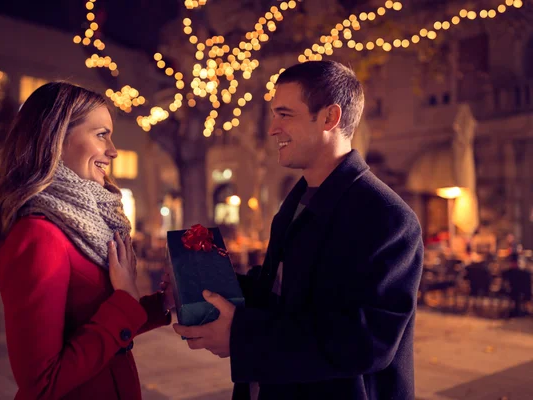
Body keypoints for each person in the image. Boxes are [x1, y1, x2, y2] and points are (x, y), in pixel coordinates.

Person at [174, 61, 424, 400]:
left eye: (285, 115)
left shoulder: (387, 217)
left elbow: (367, 341)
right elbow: (280, 290)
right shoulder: (296, 200)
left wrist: (242, 335)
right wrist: (199, 286)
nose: (273, 129)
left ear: (329, 118)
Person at [0, 82, 173, 400]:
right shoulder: (37, 237)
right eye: (101, 134)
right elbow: (41, 384)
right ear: (57, 138)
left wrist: (163, 303)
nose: (113, 150)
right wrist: (124, 299)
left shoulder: (89, 225)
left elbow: (95, 327)